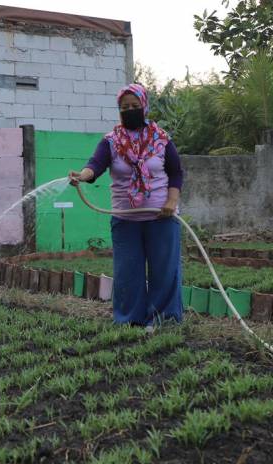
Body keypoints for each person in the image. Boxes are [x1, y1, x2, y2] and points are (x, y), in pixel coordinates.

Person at [69, 83, 184, 329]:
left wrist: (171, 201)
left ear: (145, 106)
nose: (130, 110)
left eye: (135, 106)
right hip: (125, 218)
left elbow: (176, 172)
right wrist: (82, 175)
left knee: (164, 271)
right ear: (118, 110)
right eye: (124, 107)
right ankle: (130, 320)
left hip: (161, 216)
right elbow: (95, 165)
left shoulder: (161, 139)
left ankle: (163, 320)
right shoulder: (111, 142)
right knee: (127, 273)